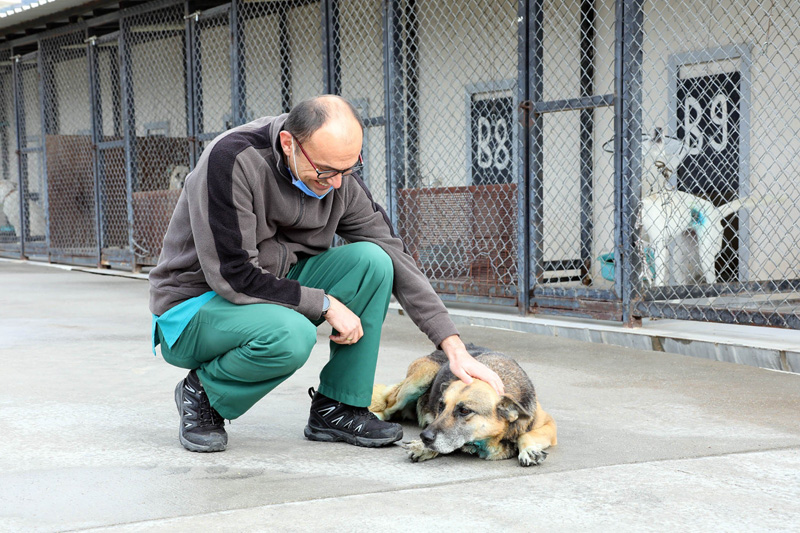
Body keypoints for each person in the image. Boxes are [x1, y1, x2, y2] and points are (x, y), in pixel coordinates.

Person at [149, 95, 504, 453]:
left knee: (373, 261)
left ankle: (338, 407)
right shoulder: (231, 159)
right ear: (289, 144)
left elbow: (395, 254)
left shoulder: (337, 178)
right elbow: (233, 275)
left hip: (272, 287)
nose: (336, 184)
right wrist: (325, 304)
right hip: (194, 305)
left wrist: (452, 347)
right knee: (291, 335)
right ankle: (204, 394)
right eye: (325, 172)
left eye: (348, 169)